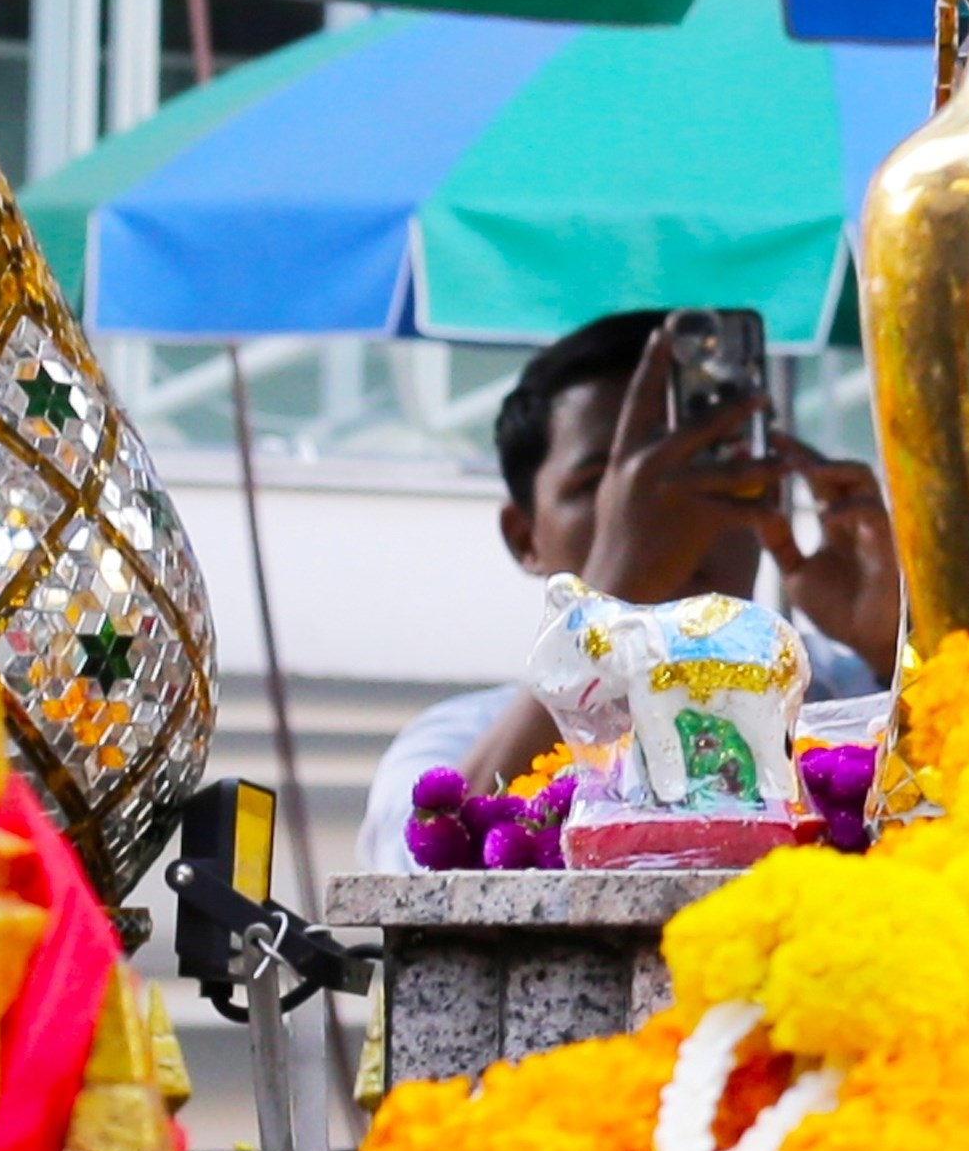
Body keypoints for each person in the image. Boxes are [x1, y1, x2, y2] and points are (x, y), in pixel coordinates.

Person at [364, 312, 907, 830]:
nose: (663, 513)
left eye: (702, 469)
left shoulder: (847, 700)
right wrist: (606, 603)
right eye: (602, 484)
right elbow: (431, 866)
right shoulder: (448, 745)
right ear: (524, 538)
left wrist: (894, 644)